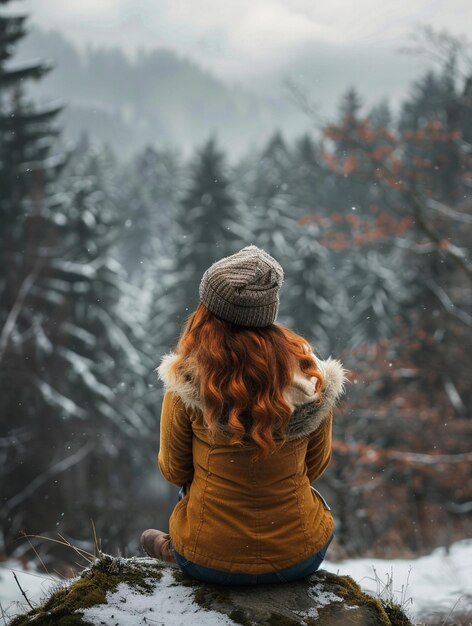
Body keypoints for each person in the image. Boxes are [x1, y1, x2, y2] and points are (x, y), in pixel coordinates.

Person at [141, 245, 347, 585]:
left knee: (193, 485)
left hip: (209, 563)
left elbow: (174, 470)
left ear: (208, 314)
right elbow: (315, 468)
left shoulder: (189, 383)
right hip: (299, 557)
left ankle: (178, 546)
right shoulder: (310, 380)